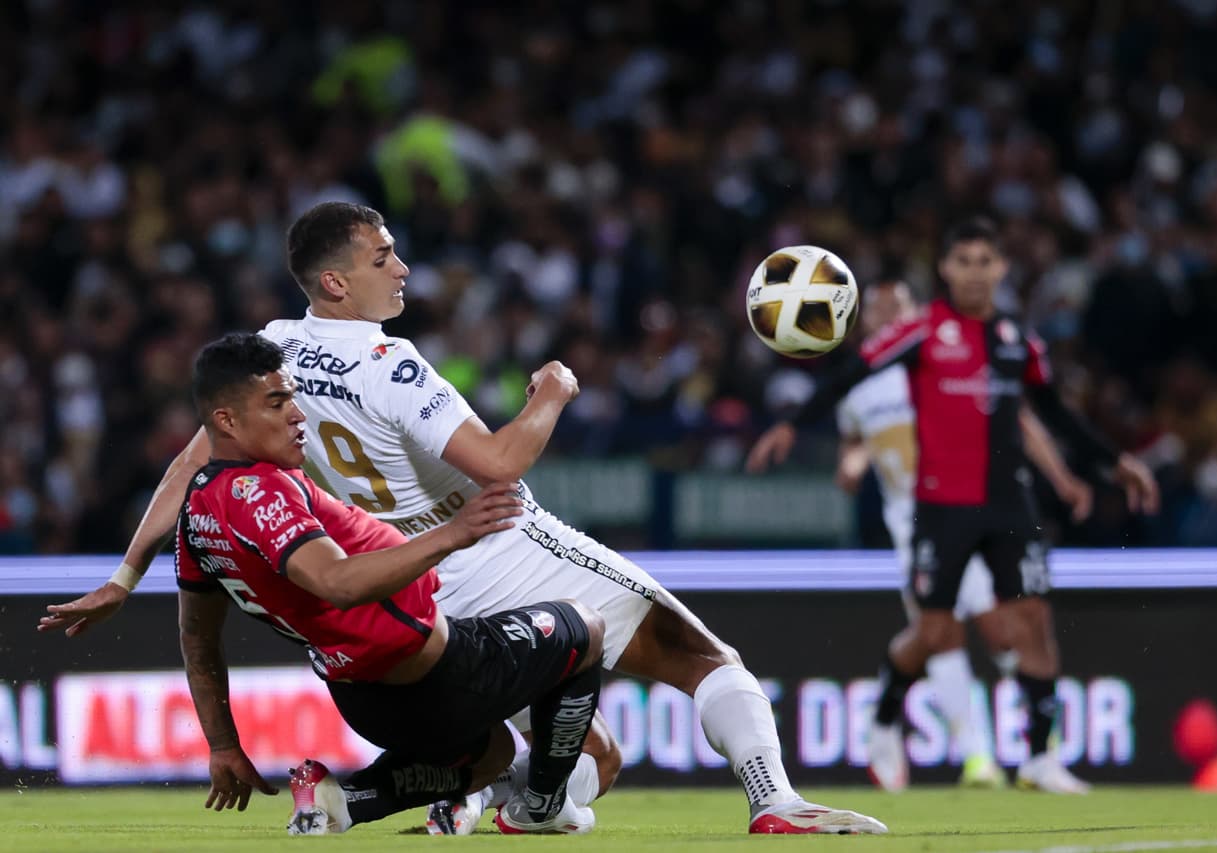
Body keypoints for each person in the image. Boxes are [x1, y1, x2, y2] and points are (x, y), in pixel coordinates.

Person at [39, 202, 886, 836]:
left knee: (594, 757)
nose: (402, 268)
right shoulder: (388, 361)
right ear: (336, 281)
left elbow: (188, 467)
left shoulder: (273, 352)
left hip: (404, 587)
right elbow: (502, 464)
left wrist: (124, 574)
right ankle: (774, 799)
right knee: (704, 657)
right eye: (383, 256)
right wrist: (551, 395)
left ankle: (465, 800)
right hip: (487, 540)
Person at [747, 219, 1159, 794]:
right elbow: (851, 374)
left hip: (1009, 502)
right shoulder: (921, 332)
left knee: (1030, 622)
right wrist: (794, 424)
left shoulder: (1016, 339)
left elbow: (1052, 412)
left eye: (984, 261)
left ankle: (1039, 760)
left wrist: (1113, 462)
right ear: (945, 269)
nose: (974, 272)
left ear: (1001, 268)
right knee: (937, 633)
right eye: (963, 261)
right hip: (941, 509)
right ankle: (887, 713)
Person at [175, 332, 603, 835]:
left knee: (493, 755)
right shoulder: (260, 492)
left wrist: (223, 744)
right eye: (277, 403)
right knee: (585, 628)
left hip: (365, 700)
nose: (298, 415)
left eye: (292, 397)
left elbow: (197, 637)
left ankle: (343, 801)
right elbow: (337, 581)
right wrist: (454, 532)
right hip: (437, 675)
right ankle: (543, 807)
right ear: (226, 421)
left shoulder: (199, 507)